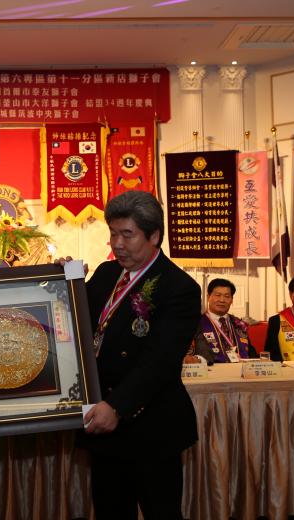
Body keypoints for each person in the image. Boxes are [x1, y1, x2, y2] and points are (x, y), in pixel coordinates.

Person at [80, 190, 200, 519]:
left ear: (154, 236)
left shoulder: (179, 288)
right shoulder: (106, 274)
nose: (117, 244)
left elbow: (160, 361)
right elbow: (77, 325)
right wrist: (62, 284)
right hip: (104, 427)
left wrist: (117, 406)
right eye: (113, 234)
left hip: (152, 429)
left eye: (127, 234)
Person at [190, 278, 258, 364]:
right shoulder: (196, 323)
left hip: (241, 369)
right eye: (217, 295)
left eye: (227, 296)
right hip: (212, 370)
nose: (222, 300)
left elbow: (251, 354)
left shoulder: (239, 324)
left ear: (232, 300)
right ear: (208, 297)